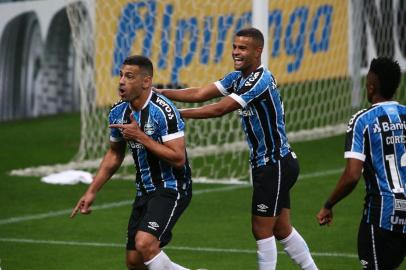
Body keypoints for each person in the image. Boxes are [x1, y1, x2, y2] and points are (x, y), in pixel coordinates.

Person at [155, 27, 318, 270]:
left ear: (258, 51)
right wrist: (161, 94)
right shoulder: (238, 77)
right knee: (282, 228)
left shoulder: (259, 80)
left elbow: (218, 109)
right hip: (273, 164)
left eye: (242, 48)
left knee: (261, 229)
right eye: (234, 47)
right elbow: (200, 93)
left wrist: (171, 114)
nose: (235, 52)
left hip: (274, 165)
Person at [71, 55, 192, 270]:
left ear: (146, 81)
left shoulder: (164, 111)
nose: (121, 81)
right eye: (120, 75)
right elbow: (114, 154)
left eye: (129, 76)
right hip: (144, 189)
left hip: (171, 187)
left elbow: (178, 158)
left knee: (145, 243)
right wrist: (92, 191)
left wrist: (140, 137)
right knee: (135, 262)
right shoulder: (118, 112)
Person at [316, 57, 406, 269]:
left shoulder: (362, 120)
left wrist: (328, 204)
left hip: (382, 213)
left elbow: (352, 175)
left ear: (372, 86)